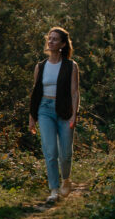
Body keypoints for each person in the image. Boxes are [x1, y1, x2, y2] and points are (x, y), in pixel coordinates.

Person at [28, 26, 80, 204]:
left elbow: (74, 92)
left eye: (55, 39)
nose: (50, 41)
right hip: (44, 109)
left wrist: (74, 115)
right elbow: (35, 93)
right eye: (49, 38)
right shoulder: (40, 66)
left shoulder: (70, 66)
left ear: (63, 44)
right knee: (50, 152)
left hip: (65, 110)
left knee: (65, 153)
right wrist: (32, 117)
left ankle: (66, 179)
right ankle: (54, 190)